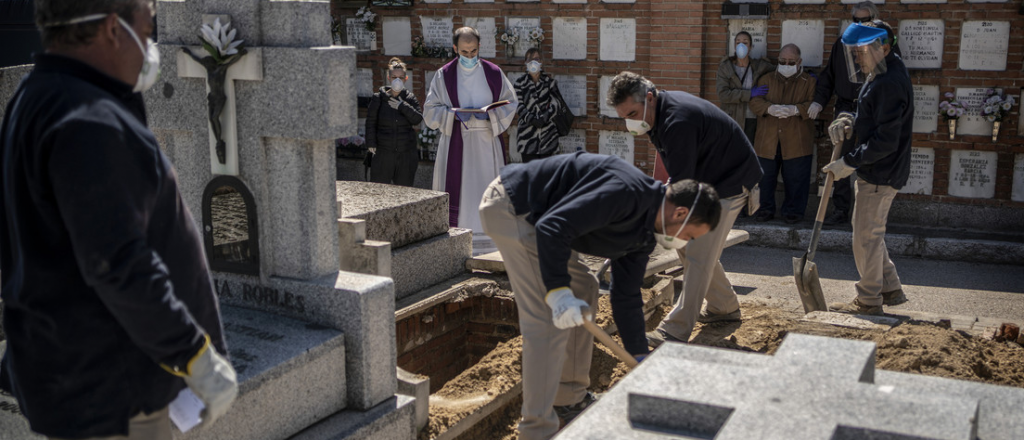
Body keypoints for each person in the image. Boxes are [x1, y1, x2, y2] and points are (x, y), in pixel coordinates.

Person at [0, 1, 238, 439]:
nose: (150, 48)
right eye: (146, 32)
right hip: (115, 395)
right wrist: (194, 354)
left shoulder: (35, 97)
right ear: (113, 28)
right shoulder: (90, 119)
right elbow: (117, 262)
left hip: (76, 382)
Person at [479, 152, 721, 440]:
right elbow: (553, 227)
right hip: (513, 206)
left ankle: (569, 399)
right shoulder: (624, 192)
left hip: (544, 221)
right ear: (680, 214)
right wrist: (557, 292)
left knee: (584, 287)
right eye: (691, 236)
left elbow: (626, 295)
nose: (685, 242)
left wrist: (639, 354)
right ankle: (537, 431)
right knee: (547, 321)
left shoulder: (646, 235)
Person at [608, 72, 763, 348]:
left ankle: (675, 330)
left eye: (632, 113)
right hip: (708, 179)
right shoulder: (658, 116)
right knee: (683, 244)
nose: (630, 122)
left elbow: (683, 187)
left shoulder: (677, 121)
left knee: (699, 251)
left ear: (650, 98)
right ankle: (724, 307)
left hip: (730, 182)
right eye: (624, 117)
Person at [822, 22, 912, 314]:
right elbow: (871, 115)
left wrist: (849, 162)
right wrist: (848, 118)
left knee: (865, 237)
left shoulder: (889, 82)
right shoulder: (882, 73)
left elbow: (885, 140)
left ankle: (869, 300)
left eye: (861, 52)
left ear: (883, 48)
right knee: (871, 232)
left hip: (880, 171)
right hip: (880, 170)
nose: (857, 59)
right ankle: (890, 287)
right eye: (855, 53)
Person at [424, 26, 518, 256]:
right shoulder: (443, 75)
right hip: (457, 140)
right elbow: (429, 111)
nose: (469, 57)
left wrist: (491, 115)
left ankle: (491, 244)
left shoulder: (493, 73)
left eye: (473, 51)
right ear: (455, 48)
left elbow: (510, 103)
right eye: (464, 52)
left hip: (486, 141)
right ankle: (457, 243)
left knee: (487, 189)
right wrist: (453, 114)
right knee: (462, 195)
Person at [810, 1, 885, 226]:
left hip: (871, 109)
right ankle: (841, 209)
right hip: (845, 106)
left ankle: (868, 215)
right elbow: (829, 76)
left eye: (864, 20)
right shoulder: (842, 44)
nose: (860, 24)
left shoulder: (882, 44)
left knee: (869, 157)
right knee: (840, 158)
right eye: (856, 21)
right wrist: (818, 101)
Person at [748, 44, 816, 224]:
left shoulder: (809, 82)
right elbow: (754, 102)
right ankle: (763, 210)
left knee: (796, 178)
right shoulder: (766, 79)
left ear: (799, 61)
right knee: (765, 178)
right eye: (782, 61)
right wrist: (769, 108)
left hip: (797, 138)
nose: (786, 64)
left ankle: (793, 213)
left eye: (790, 62)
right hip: (767, 139)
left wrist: (796, 110)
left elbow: (816, 105)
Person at [365, 57, 423, 186]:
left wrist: (402, 106)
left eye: (401, 77)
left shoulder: (410, 98)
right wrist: (371, 143)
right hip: (383, 153)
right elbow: (371, 122)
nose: (397, 80)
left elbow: (417, 119)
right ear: (388, 78)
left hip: (405, 154)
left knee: (403, 192)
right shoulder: (378, 98)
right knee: (379, 191)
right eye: (394, 77)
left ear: (405, 79)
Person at [716, 31, 774, 143]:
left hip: (751, 118)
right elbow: (723, 95)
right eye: (738, 42)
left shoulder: (759, 66)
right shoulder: (726, 67)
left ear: (751, 47)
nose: (741, 45)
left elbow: (780, 70)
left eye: (745, 42)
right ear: (734, 45)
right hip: (731, 118)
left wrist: (805, 73)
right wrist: (749, 94)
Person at [513, 48, 562, 163]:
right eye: (530, 59)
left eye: (536, 59)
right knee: (531, 175)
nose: (533, 62)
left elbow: (556, 103)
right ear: (525, 62)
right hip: (527, 138)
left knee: (547, 174)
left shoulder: (550, 82)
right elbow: (517, 104)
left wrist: (544, 118)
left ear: (542, 62)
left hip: (547, 137)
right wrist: (531, 119)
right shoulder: (519, 83)